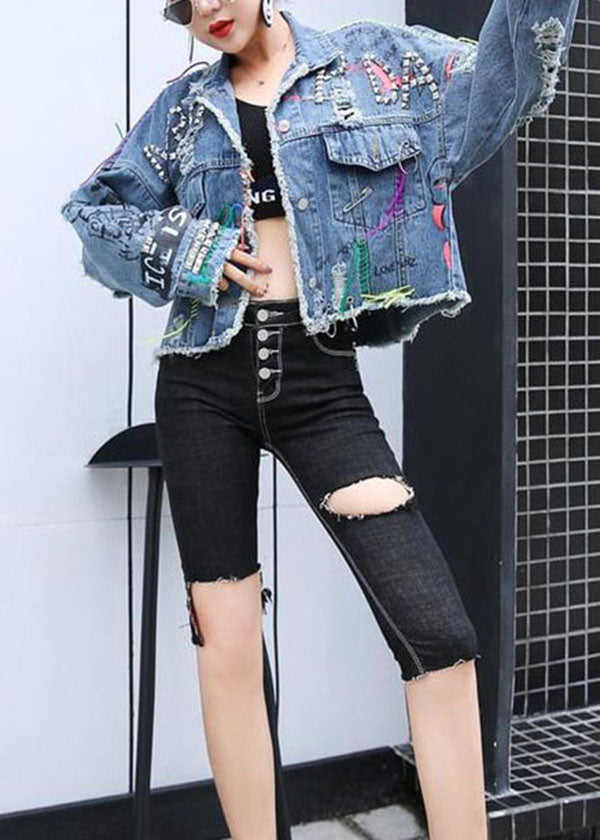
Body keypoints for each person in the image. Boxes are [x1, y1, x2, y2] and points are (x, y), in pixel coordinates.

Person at [60, 0, 579, 837]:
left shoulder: (377, 62)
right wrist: (184, 249)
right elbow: (94, 214)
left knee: (438, 636)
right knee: (226, 645)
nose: (207, 10)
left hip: (318, 383)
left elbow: (497, 88)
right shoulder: (185, 108)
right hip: (200, 382)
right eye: (186, 2)